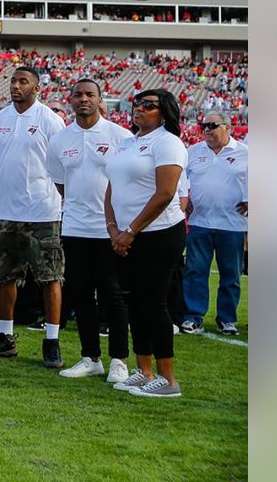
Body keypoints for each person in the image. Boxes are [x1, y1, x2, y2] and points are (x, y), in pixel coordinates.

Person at [47, 80, 133, 382]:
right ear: (70, 100)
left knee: (112, 294)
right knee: (81, 294)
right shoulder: (59, 140)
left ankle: (119, 359)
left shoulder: (121, 137)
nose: (83, 99)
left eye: (90, 95)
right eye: (78, 95)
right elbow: (61, 185)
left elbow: (128, 181)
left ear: (99, 100)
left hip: (111, 228)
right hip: (74, 226)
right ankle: (90, 357)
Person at [104, 89, 188, 398]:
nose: (139, 108)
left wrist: (131, 231)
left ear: (164, 112)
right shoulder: (128, 142)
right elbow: (111, 189)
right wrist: (113, 228)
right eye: (137, 103)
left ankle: (168, 380)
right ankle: (144, 370)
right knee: (135, 304)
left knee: (153, 303)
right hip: (125, 234)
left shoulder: (168, 143)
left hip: (158, 233)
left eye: (149, 105)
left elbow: (165, 194)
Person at [0, 66, 67, 368]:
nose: (16, 86)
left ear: (37, 88)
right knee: (4, 276)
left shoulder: (50, 120)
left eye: (24, 82)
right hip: (7, 211)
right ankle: (5, 337)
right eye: (13, 81)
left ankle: (51, 340)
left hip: (43, 211)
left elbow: (60, 165)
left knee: (50, 277)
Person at [182, 112, 248, 336]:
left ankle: (227, 319)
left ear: (227, 128)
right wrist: (185, 198)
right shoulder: (193, 152)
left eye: (212, 125)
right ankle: (194, 317)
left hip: (233, 224)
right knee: (195, 271)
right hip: (200, 221)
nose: (207, 130)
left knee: (231, 275)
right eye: (204, 126)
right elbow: (180, 180)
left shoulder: (246, 153)